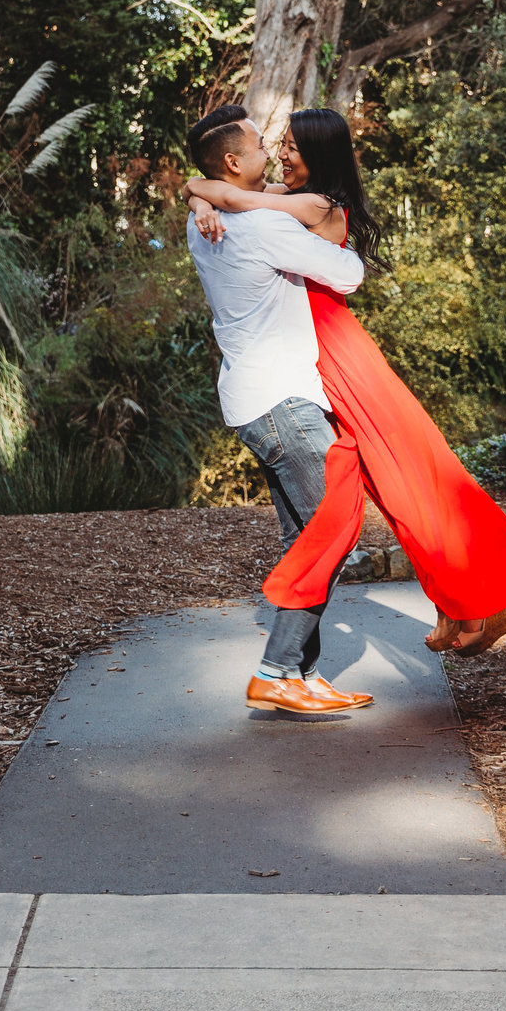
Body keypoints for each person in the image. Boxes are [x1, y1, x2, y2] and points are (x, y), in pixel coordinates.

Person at [188, 107, 506, 657]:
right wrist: (198, 193)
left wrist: (198, 192)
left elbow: (233, 197)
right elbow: (224, 190)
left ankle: (476, 603)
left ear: (319, 156)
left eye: (292, 148)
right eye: (278, 145)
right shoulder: (291, 196)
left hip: (337, 354)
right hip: (319, 355)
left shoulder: (313, 204)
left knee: (409, 477)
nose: (282, 155)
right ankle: (462, 606)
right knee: (398, 483)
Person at [183, 104, 380, 716]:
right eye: (260, 148)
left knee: (305, 537)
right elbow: (348, 274)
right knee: (334, 535)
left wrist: (201, 195)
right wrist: (231, 199)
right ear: (235, 163)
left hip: (250, 401)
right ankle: (275, 671)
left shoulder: (203, 223)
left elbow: (206, 187)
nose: (272, 154)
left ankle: (302, 673)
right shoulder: (265, 228)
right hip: (284, 404)